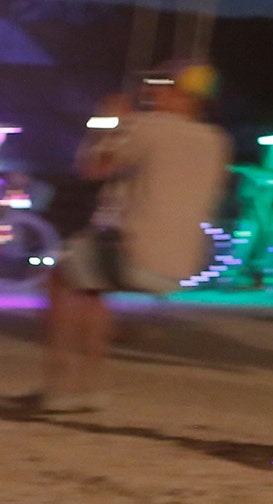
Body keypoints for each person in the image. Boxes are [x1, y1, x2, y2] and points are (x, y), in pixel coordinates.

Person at [41, 62, 233, 412]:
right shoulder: (216, 140)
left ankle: (61, 385)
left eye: (161, 84)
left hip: (133, 252)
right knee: (90, 287)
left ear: (184, 96)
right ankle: (88, 388)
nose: (151, 91)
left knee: (60, 277)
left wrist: (108, 119)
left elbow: (90, 166)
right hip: (185, 262)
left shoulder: (150, 126)